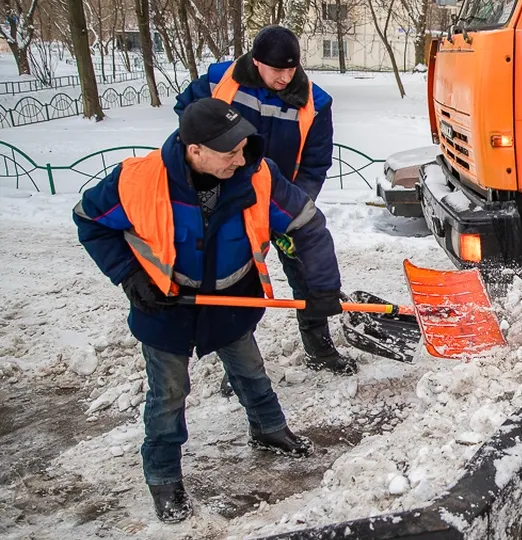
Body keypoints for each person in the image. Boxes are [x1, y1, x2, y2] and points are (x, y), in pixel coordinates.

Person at [72, 98, 344, 523]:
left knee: (250, 369)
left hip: (233, 297)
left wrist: (324, 287)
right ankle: (163, 475)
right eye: (229, 152)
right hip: (164, 304)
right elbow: (89, 219)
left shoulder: (258, 175)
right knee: (170, 393)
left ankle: (269, 428)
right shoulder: (137, 181)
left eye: (243, 148)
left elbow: (306, 223)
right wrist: (129, 275)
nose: (240, 160)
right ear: (194, 149)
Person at [173, 25, 355, 377]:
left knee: (305, 273)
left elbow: (315, 164)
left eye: (292, 69)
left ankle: (319, 349)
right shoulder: (219, 81)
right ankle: (238, 366)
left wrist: (294, 212)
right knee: (237, 280)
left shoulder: (316, 103)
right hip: (227, 199)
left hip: (280, 200)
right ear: (257, 62)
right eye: (277, 70)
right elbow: (187, 115)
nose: (286, 77)